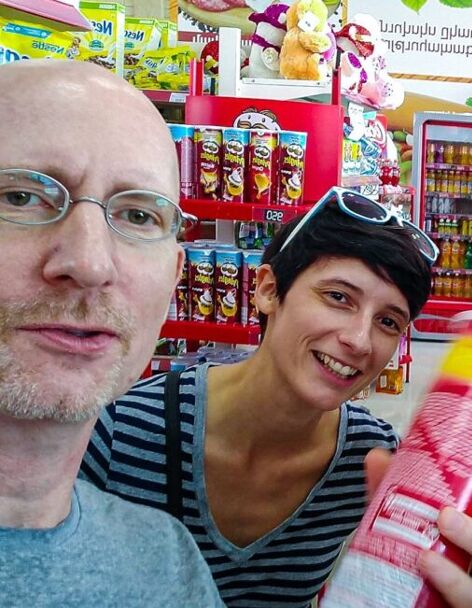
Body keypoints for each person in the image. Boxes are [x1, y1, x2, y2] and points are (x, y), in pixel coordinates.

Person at [82, 188, 472, 607]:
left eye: (388, 321)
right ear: (268, 289)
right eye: (338, 297)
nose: (359, 340)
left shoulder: (370, 459)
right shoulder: (116, 432)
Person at [0, 60, 223, 604]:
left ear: (173, 277)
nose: (90, 262)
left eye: (139, 216)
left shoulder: (166, 563)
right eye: (23, 197)